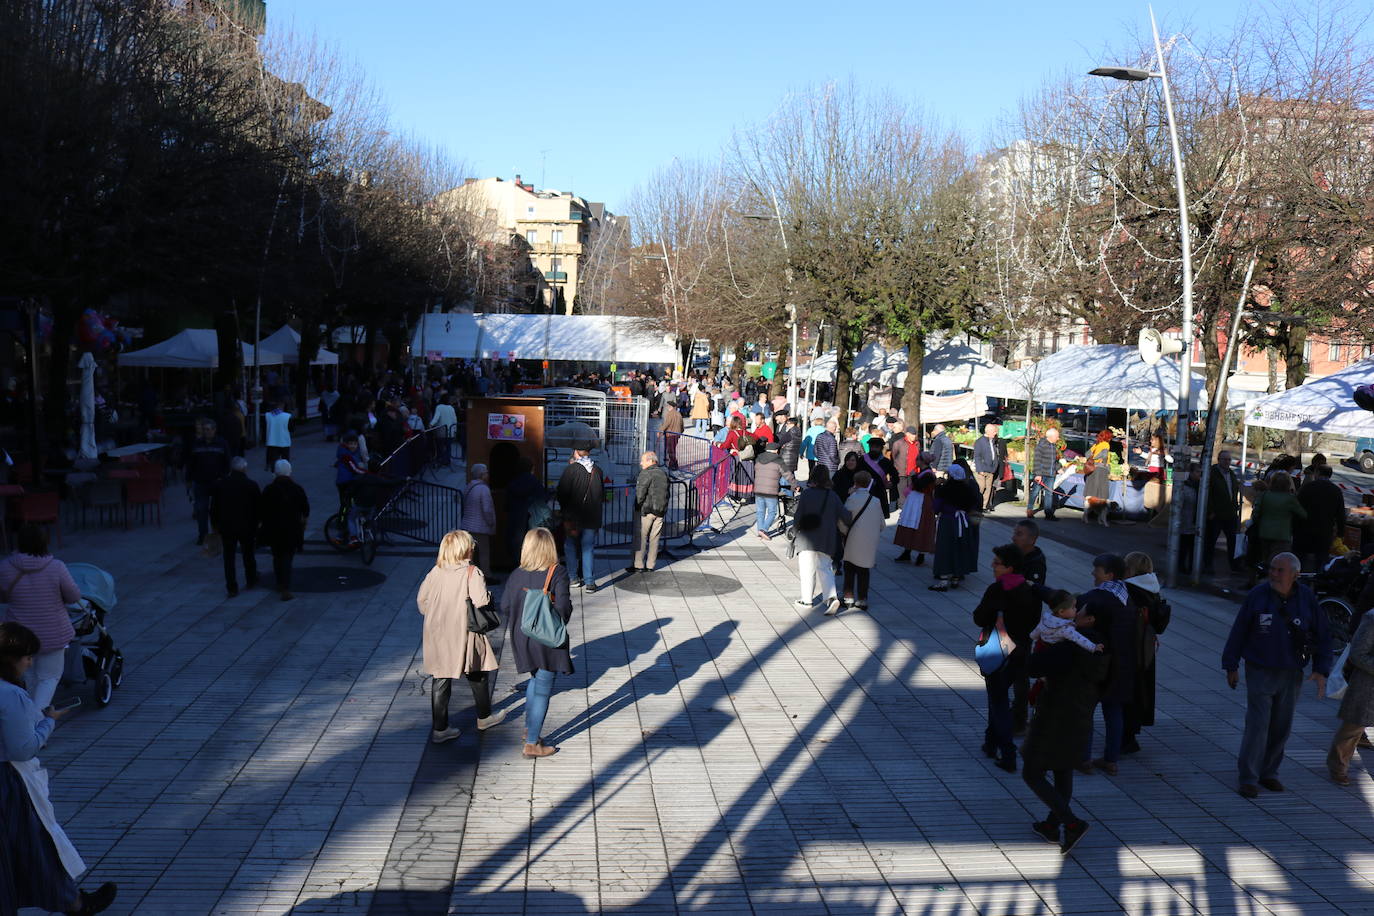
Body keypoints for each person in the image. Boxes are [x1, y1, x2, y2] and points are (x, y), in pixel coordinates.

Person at [0, 622, 118, 916]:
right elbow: (22, 748)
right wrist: (48, 722)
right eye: (27, 657)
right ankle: (72, 902)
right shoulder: (10, 695)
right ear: (11, 659)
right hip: (8, 783)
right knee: (35, 844)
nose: (30, 663)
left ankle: (70, 901)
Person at [1222, 551, 1331, 797]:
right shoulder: (1257, 595)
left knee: (1281, 726)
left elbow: (1323, 634)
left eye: (1280, 570)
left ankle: (1269, 773)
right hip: (1260, 669)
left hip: (1291, 672)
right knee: (1258, 725)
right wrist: (1231, 665)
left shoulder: (1306, 598)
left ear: (1295, 575)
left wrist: (1320, 669)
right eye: (1272, 568)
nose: (1273, 573)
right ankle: (1248, 778)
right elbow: (1239, 630)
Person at [1020, 606, 1109, 856]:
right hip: (1080, 714)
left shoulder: (1069, 647)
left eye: (1079, 612)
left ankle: (1072, 824)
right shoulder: (1101, 647)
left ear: (1090, 619)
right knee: (1062, 770)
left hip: (1054, 717)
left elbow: (1033, 666)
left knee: (1032, 772)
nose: (1073, 615)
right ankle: (1051, 826)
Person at [417, 531, 501, 744]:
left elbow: (422, 601)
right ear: (466, 549)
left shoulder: (436, 571)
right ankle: (484, 717)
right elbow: (481, 601)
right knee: (477, 671)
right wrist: (489, 595)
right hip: (466, 631)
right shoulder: (472, 572)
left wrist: (436, 615)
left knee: (441, 677)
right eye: (471, 545)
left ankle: (440, 728)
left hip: (438, 632)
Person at [501, 528, 573, 758]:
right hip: (546, 639)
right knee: (543, 688)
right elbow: (563, 609)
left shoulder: (516, 574)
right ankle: (532, 743)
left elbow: (505, 606)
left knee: (534, 679)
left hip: (522, 636)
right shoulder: (558, 572)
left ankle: (528, 728)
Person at [972, 544, 1040, 773]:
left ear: (1009, 567)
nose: (992, 565)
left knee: (998, 700)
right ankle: (990, 742)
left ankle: (1008, 753)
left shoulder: (998, 589)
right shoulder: (1029, 589)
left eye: (997, 562)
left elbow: (979, 618)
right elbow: (1034, 621)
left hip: (997, 652)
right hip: (1021, 652)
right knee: (998, 696)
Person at [0, 526, 80, 710]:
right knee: (49, 678)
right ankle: (36, 719)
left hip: (19, 634)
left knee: (28, 677)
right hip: (53, 633)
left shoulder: (4, 567)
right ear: (44, 542)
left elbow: (3, 597)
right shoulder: (56, 567)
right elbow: (74, 596)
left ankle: (29, 717)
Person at [1076, 553, 1135, 775]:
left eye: (1097, 570)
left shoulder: (1094, 598)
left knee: (1086, 710)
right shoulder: (1128, 598)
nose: (1093, 573)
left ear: (1109, 575)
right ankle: (1111, 760)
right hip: (1122, 664)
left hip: (1096, 663)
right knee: (1114, 711)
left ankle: (1084, 759)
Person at [1121, 552, 1170, 753]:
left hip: (1131, 647)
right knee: (1142, 689)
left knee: (1129, 691)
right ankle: (1132, 735)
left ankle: (1126, 737)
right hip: (1146, 647)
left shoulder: (1129, 589)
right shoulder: (1152, 588)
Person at [793, 466, 849, 615]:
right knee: (825, 568)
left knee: (807, 569)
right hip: (826, 538)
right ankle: (831, 598)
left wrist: (794, 531)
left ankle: (807, 600)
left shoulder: (806, 494)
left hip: (807, 537)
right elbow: (846, 516)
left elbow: (798, 516)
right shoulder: (833, 496)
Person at [1328, 610, 1374, 785]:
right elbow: (1358, 653)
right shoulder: (1372, 618)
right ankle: (1338, 766)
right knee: (1353, 726)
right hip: (1368, 682)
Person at [556, 439, 606, 592]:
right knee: (588, 548)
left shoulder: (570, 470)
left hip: (573, 517)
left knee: (570, 546)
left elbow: (561, 493)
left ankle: (573, 578)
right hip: (592, 517)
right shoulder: (597, 470)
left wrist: (564, 510)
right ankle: (590, 582)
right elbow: (602, 495)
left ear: (576, 452)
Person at [258, 461, 309, 601]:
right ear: (289, 472)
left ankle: (279, 582)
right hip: (292, 528)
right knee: (287, 556)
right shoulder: (297, 489)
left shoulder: (269, 489)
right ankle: (285, 586)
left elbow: (261, 509)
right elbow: (305, 509)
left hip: (274, 528)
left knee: (277, 555)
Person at [211, 457, 261, 597]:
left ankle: (232, 587)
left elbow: (214, 507)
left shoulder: (220, 485)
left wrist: (215, 525)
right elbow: (258, 507)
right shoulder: (251, 485)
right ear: (244, 469)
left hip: (227, 526)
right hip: (247, 526)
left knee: (229, 558)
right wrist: (257, 524)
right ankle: (251, 579)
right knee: (248, 554)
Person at [929, 465, 980, 592]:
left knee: (945, 548)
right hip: (963, 522)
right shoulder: (968, 489)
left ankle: (943, 580)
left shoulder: (944, 489)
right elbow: (974, 505)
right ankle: (956, 577)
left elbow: (936, 507)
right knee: (959, 548)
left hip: (947, 521)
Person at [838, 470, 883, 611]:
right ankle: (862, 599)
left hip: (853, 538)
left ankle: (848, 597)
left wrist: (844, 533)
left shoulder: (852, 499)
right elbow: (882, 525)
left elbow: (843, 520)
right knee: (864, 570)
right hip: (869, 540)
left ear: (855, 483)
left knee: (849, 568)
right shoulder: (876, 501)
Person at [188, 418, 231, 546]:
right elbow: (191, 463)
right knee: (201, 510)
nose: (206, 432)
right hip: (201, 482)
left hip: (217, 482)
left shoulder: (222, 443)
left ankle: (219, 534)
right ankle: (203, 535)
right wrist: (189, 479)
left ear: (214, 430)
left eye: (208, 429)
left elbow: (227, 461)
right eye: (204, 430)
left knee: (218, 510)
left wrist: (223, 477)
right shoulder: (197, 444)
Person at [1250, 472, 1307, 565]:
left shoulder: (1264, 495)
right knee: (1279, 561)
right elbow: (1303, 514)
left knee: (1265, 558)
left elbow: (1256, 514)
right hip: (1282, 534)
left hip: (1265, 532)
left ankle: (1266, 572)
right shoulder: (1290, 498)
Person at [1296, 465, 1346, 570]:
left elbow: (1297, 507)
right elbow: (1341, 514)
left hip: (1305, 529)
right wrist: (1341, 533)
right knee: (1321, 561)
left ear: (1317, 473)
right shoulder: (1336, 490)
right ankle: (1319, 577)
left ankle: (1299, 577)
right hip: (1324, 531)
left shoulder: (1308, 487)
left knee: (1300, 561)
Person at [1204, 450, 1243, 575]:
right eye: (1224, 459)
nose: (1227, 462)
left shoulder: (1231, 474)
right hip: (1216, 515)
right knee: (1210, 542)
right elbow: (1207, 494)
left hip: (1230, 514)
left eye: (1229, 459)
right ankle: (1207, 566)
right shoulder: (1212, 473)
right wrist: (1211, 511)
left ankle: (1235, 565)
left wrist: (1235, 506)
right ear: (1219, 459)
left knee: (1233, 541)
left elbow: (1233, 491)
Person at [894, 454, 937, 565]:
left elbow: (919, 486)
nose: (916, 461)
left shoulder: (928, 474)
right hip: (916, 502)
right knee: (911, 526)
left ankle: (920, 554)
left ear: (922, 461)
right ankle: (907, 551)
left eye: (917, 459)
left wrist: (913, 476)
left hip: (922, 503)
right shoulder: (923, 472)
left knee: (922, 527)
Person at [1031, 589, 1104, 654]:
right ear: (1061, 612)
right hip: (1051, 651)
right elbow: (1079, 638)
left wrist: (1033, 636)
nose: (1076, 609)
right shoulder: (1065, 628)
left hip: (1039, 646)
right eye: (1073, 607)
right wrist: (1093, 647)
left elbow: (1038, 629)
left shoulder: (1046, 618)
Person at [633, 450, 669, 571]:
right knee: (655, 539)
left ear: (650, 461)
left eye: (643, 461)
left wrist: (637, 507)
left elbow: (640, 493)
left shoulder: (646, 473)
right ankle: (650, 565)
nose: (641, 463)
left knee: (641, 538)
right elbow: (667, 493)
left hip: (647, 511)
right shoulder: (663, 473)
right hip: (660, 511)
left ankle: (638, 564)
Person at [461, 464, 497, 578]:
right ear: (482, 475)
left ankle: (470, 575)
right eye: (486, 472)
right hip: (480, 527)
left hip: (467, 525)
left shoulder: (469, 487)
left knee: (470, 554)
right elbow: (487, 509)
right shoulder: (483, 489)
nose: (488, 475)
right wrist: (491, 523)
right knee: (484, 553)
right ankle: (486, 575)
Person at [752, 440, 787, 541]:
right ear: (776, 451)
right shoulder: (779, 460)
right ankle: (763, 530)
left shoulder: (758, 458)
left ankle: (760, 530)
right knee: (772, 512)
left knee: (760, 511)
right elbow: (787, 474)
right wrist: (795, 485)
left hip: (758, 489)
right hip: (771, 491)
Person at [1028, 427, 1061, 521]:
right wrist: (1038, 474)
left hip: (1051, 474)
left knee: (1049, 493)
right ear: (1051, 436)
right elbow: (1037, 460)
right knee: (1035, 492)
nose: (1058, 438)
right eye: (1057, 436)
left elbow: (1054, 461)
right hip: (1041, 474)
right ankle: (1029, 509)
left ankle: (1048, 513)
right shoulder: (1041, 445)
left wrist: (1058, 468)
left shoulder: (1053, 446)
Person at [973, 422, 1006, 511]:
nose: (996, 433)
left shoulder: (992, 441)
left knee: (988, 489)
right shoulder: (980, 442)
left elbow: (994, 455)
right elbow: (977, 456)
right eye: (994, 431)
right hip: (982, 469)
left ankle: (983, 506)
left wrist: (994, 467)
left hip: (991, 470)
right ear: (988, 431)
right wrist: (980, 469)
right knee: (981, 487)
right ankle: (976, 505)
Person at [1177, 466, 1200, 574]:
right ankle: (1181, 566)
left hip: (1196, 521)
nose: (1199, 474)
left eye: (1200, 472)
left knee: (1194, 546)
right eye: (1197, 471)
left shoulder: (1202, 486)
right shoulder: (1185, 486)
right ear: (1191, 472)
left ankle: (1192, 566)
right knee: (1184, 545)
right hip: (1186, 520)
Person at [1012, 520, 1047, 587]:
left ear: (1032, 539)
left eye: (1019, 534)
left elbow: (1031, 591)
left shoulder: (1036, 566)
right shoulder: (1015, 553)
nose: (1013, 538)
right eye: (1014, 533)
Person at [1084, 429, 1112, 504]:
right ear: (1108, 437)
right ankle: (1099, 508)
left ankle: (1089, 506)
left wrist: (1092, 458)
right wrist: (1103, 462)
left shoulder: (1096, 445)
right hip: (1101, 470)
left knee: (1091, 490)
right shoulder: (1106, 444)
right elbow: (1104, 455)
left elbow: (1087, 454)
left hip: (1092, 468)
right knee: (1101, 492)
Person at [430, 393, 458, 467]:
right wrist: (455, 431)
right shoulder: (451, 408)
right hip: (450, 431)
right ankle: (447, 461)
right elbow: (455, 420)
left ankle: (440, 461)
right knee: (448, 447)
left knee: (440, 447)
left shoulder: (439, 407)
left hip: (441, 432)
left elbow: (436, 418)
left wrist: (431, 424)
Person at [263, 402, 292, 472]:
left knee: (274, 461)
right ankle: (286, 473)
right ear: (282, 406)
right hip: (284, 442)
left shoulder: (267, 415)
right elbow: (292, 429)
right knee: (285, 460)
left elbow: (264, 428)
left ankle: (274, 473)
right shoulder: (287, 416)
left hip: (271, 442)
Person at [660, 399, 684, 470]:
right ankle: (674, 464)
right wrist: (680, 432)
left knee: (671, 450)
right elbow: (682, 425)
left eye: (668, 406)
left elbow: (666, 424)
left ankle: (673, 465)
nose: (667, 407)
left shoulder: (670, 414)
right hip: (676, 434)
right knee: (673, 449)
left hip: (670, 434)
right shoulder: (678, 414)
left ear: (671, 407)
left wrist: (660, 430)